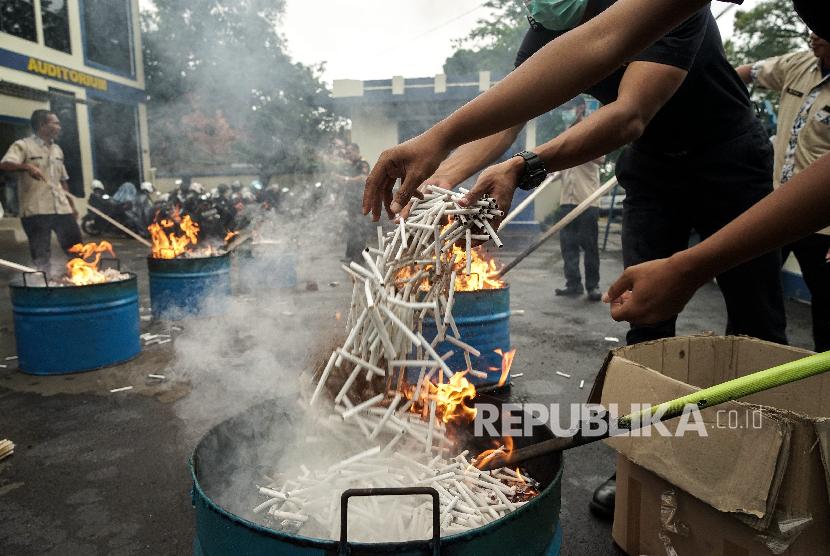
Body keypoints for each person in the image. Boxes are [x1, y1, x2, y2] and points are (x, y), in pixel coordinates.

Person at [730, 33, 830, 351]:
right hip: (776, 210)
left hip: (823, 224)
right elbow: (749, 71)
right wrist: (716, 89)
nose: (813, 33)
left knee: (827, 312)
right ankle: (744, 370)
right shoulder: (797, 63)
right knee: (750, 293)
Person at [0, 110, 81, 273]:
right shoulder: (23, 145)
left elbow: (62, 179)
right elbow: (5, 164)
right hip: (36, 210)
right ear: (42, 125)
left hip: (61, 208)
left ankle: (82, 279)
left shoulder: (57, 150)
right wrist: (26, 166)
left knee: (76, 248)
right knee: (41, 254)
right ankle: (45, 286)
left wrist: (71, 204)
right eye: (55, 123)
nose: (59, 127)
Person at [551, 98, 604, 300]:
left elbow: (601, 159)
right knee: (568, 245)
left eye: (569, 109)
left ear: (580, 109)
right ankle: (573, 284)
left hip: (588, 201)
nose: (566, 113)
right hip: (567, 201)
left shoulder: (593, 131)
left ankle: (593, 287)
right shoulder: (564, 135)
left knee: (589, 245)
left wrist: (577, 146)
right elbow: (562, 165)